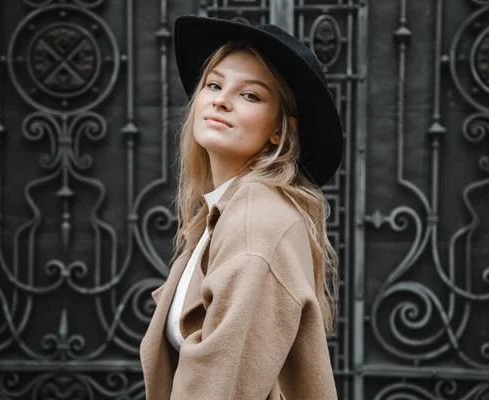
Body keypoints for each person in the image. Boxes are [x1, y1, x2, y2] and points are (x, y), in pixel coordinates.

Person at [140, 15, 344, 399]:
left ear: (279, 130)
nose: (220, 100)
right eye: (214, 84)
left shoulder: (258, 223)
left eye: (250, 95)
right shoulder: (220, 215)